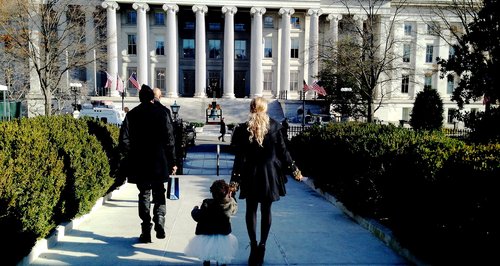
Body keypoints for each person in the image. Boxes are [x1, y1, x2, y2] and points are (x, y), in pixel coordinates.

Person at [230, 97, 303, 266]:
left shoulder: (243, 128)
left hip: (250, 173)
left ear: (251, 108)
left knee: (251, 210)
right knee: (266, 210)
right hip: (269, 174)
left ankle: (254, 246)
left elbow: (239, 158)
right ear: (265, 109)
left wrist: (235, 180)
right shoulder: (275, 126)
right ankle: (262, 245)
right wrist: (295, 170)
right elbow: (284, 152)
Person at [119, 84, 177, 243]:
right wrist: (172, 161)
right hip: (159, 161)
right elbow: (170, 140)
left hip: (140, 162)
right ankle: (160, 218)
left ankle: (146, 228)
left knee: (144, 194)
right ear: (152, 97)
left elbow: (124, 140)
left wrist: (130, 154)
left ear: (139, 98)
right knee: (159, 192)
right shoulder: (162, 113)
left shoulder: (132, 115)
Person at [184, 179, 239, 266]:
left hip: (207, 233)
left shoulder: (207, 203)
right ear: (226, 193)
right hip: (222, 235)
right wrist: (231, 197)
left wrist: (194, 210)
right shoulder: (229, 203)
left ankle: (207, 263)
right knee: (222, 255)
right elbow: (235, 208)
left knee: (206, 255)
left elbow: (198, 216)